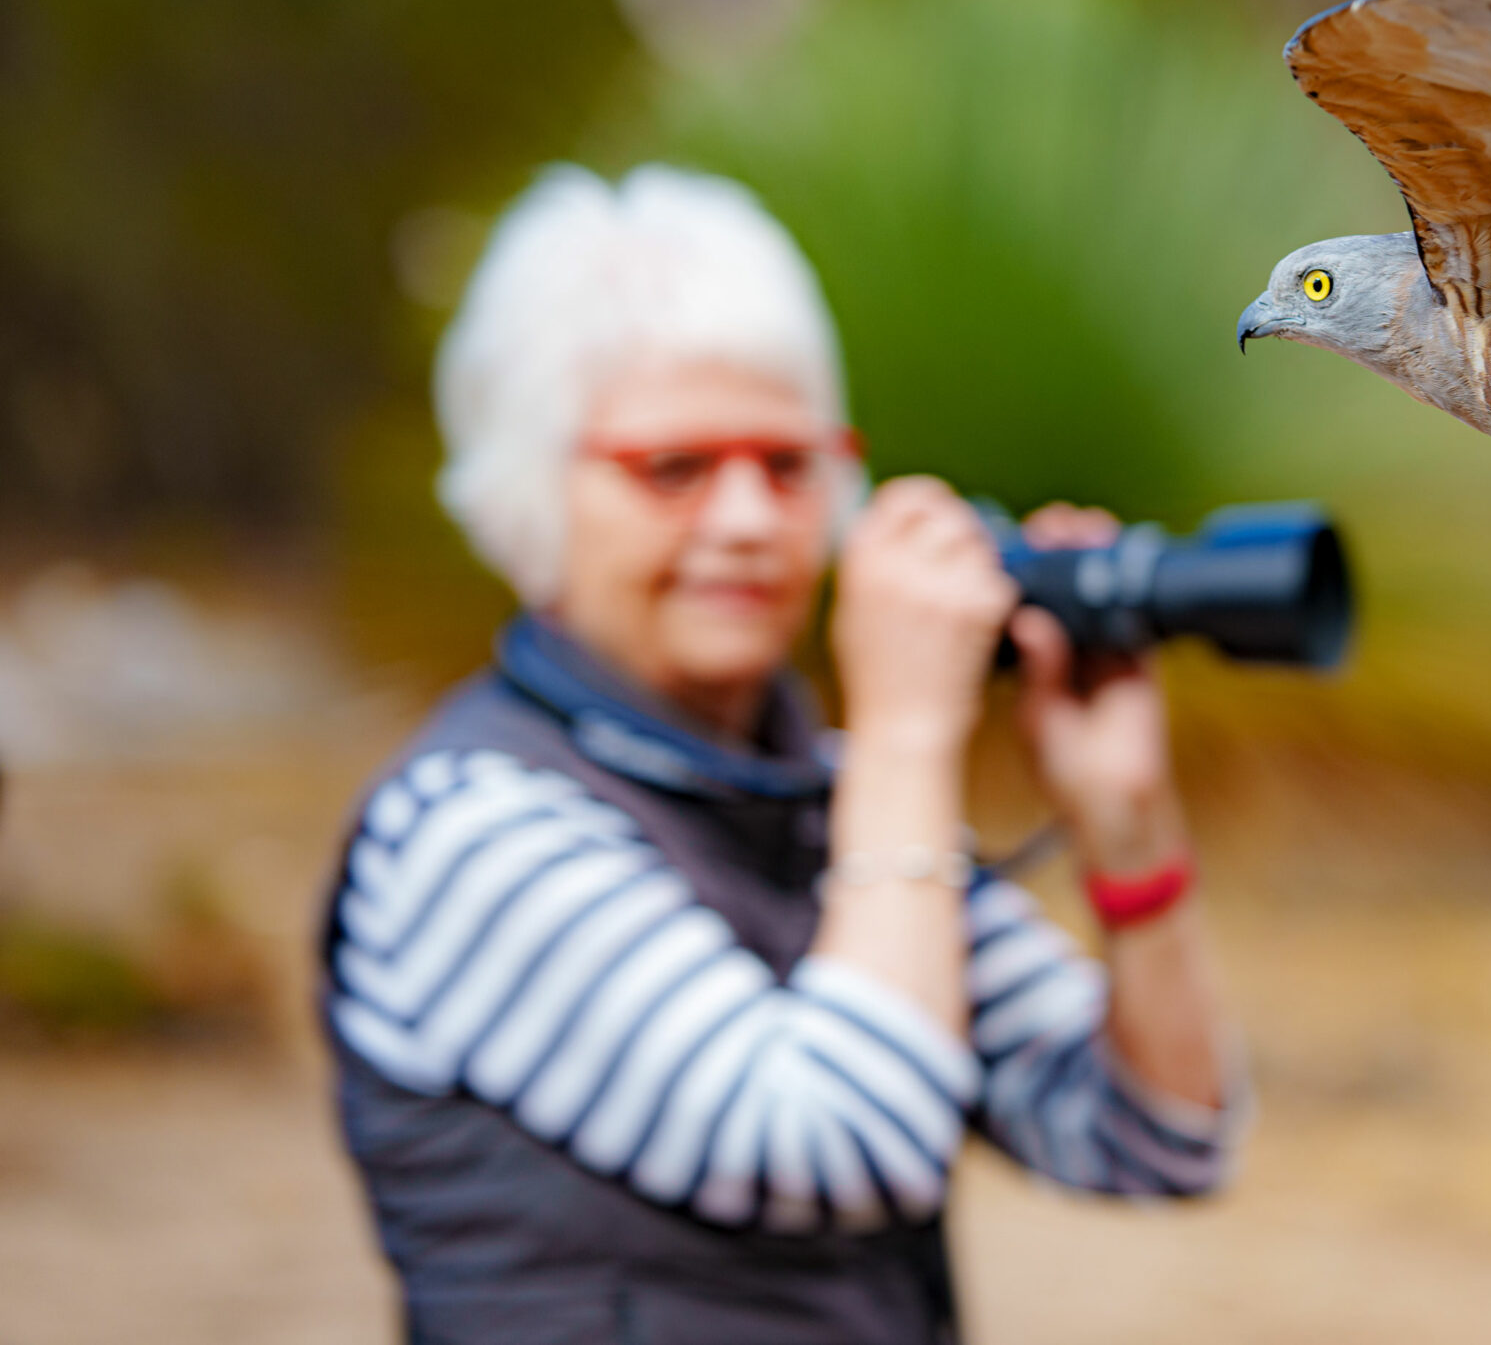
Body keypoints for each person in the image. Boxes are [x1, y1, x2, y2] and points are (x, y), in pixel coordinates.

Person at [320, 165, 1240, 1344]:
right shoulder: (466, 827)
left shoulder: (826, 800)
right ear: (529, 491)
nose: (750, 520)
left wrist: (1125, 818)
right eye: (675, 468)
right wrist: (907, 738)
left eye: (790, 462)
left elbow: (1159, 1138)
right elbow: (845, 1145)